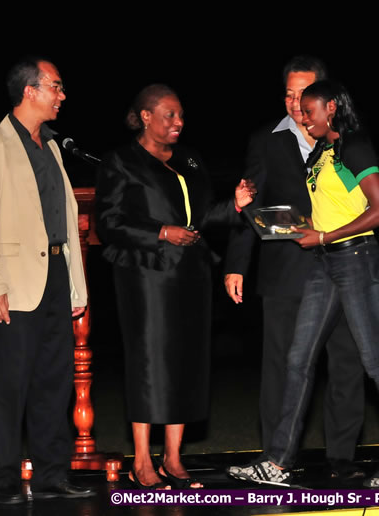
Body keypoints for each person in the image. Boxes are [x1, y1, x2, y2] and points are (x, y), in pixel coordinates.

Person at [228, 80, 379, 488]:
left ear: (331, 108)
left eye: (310, 110)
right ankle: (277, 463)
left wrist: (326, 237)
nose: (303, 117)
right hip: (323, 262)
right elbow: (328, 213)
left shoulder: (354, 146)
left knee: (375, 362)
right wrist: (287, 225)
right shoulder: (320, 153)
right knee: (298, 360)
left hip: (355, 259)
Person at [96, 84, 254, 490]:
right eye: (169, 114)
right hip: (146, 274)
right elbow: (110, 223)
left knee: (187, 361)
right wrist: (160, 232)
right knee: (150, 362)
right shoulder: (121, 161)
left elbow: (200, 218)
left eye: (181, 115)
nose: (178, 122)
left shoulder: (190, 160)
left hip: (192, 274)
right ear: (145, 116)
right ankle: (142, 461)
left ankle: (173, 457)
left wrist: (233, 205)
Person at [223, 56, 365, 480]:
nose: (294, 101)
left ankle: (341, 458)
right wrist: (236, 265)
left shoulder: (346, 137)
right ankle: (275, 459)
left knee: (346, 363)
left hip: (342, 267)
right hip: (286, 270)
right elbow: (248, 200)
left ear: (325, 96)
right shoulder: (265, 141)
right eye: (287, 92)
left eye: (303, 93)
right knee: (282, 368)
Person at [0, 57, 93, 504]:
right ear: (30, 91)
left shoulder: (53, 147)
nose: (62, 95)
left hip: (55, 276)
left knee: (54, 382)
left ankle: (51, 476)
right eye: (56, 86)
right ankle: (2, 480)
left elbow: (65, 218)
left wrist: (75, 285)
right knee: (10, 386)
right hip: (12, 284)